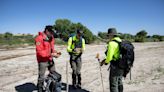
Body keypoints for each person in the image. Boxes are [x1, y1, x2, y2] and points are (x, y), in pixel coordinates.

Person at [35, 25, 61, 92]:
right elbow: (40, 52)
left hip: (50, 59)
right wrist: (51, 54)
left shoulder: (51, 37)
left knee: (53, 74)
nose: (52, 34)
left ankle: (51, 89)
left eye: (53, 33)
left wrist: (56, 52)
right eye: (51, 32)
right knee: (41, 77)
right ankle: (40, 89)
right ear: (47, 31)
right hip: (42, 61)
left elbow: (51, 49)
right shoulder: (39, 38)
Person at [101, 28, 124, 92]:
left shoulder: (111, 43)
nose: (108, 37)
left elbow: (109, 58)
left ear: (111, 35)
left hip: (115, 66)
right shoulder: (120, 41)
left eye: (108, 35)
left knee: (113, 84)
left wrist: (105, 62)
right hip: (122, 65)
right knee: (119, 82)